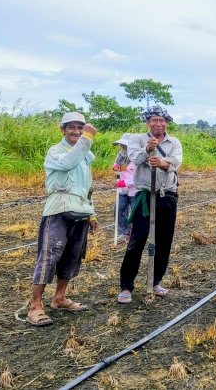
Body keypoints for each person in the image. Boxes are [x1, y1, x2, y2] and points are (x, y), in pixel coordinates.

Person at [27, 112, 99, 326]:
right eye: (72, 127)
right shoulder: (56, 152)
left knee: (72, 256)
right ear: (63, 130)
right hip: (58, 210)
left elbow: (86, 188)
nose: (76, 131)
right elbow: (69, 162)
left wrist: (92, 213)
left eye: (81, 127)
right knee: (49, 255)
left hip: (80, 211)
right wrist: (87, 138)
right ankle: (35, 305)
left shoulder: (86, 157)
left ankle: (59, 298)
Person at [118, 106, 183, 303]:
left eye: (162, 120)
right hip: (145, 196)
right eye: (154, 120)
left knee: (164, 241)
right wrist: (147, 149)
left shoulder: (174, 142)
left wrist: (161, 162)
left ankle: (155, 282)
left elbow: (175, 163)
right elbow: (135, 158)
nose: (158, 124)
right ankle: (126, 286)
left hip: (167, 196)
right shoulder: (136, 139)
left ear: (167, 123)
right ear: (147, 122)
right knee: (137, 240)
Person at [112, 134, 137, 244]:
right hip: (122, 190)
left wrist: (126, 182)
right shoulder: (120, 156)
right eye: (121, 146)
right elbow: (118, 168)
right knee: (119, 209)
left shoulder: (137, 158)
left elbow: (138, 176)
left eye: (125, 146)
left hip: (134, 190)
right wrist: (116, 168)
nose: (123, 148)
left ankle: (134, 232)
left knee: (135, 212)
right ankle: (123, 232)